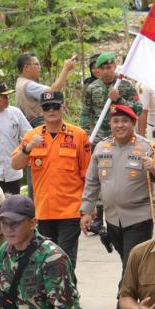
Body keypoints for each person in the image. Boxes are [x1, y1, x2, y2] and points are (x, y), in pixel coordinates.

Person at [80, 104, 155, 309]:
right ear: (110, 124)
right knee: (129, 264)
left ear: (133, 124)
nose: (120, 125)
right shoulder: (102, 147)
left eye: (125, 121)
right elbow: (91, 182)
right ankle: (136, 296)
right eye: (116, 121)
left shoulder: (147, 147)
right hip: (112, 219)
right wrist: (85, 211)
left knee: (130, 264)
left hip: (139, 217)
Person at [11, 91, 91, 267]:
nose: (51, 110)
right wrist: (28, 149)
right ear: (42, 110)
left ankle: (68, 294)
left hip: (70, 211)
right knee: (45, 262)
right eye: (47, 107)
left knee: (63, 261)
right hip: (43, 212)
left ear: (63, 108)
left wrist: (88, 209)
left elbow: (88, 176)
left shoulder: (78, 136)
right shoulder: (32, 136)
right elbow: (15, 164)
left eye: (56, 106)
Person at [81, 52, 142, 143]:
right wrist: (85, 134)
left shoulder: (126, 85)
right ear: (98, 69)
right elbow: (85, 114)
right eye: (102, 68)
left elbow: (138, 109)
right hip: (98, 138)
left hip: (123, 135)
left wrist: (119, 100)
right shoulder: (92, 88)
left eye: (108, 67)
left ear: (115, 66)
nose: (105, 71)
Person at [15, 52, 77, 127]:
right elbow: (53, 92)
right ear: (27, 68)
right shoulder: (29, 85)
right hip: (36, 126)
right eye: (36, 64)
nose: (39, 67)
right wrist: (66, 68)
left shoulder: (20, 82)